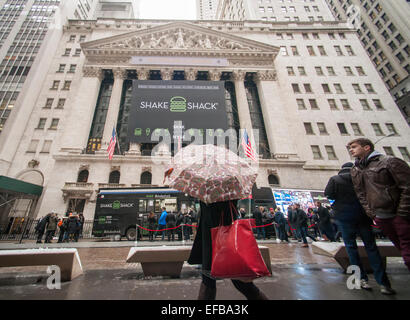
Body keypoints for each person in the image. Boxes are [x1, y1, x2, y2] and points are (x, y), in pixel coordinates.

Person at [325, 161, 396, 294]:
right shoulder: (361, 178)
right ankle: (383, 283)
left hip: (345, 217)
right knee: (371, 248)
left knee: (351, 248)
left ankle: (361, 279)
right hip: (363, 216)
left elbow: (328, 194)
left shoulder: (335, 179)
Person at [348, 137, 410, 272]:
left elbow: (407, 187)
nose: (351, 150)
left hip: (400, 216)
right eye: (350, 148)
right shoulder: (356, 170)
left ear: (367, 147)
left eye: (354, 147)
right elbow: (361, 193)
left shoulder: (389, 162)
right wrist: (372, 213)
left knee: (407, 253)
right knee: (403, 250)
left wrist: (402, 214)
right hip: (381, 217)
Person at [188, 200, 268, 300]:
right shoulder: (228, 192)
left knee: (211, 282)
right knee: (239, 282)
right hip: (223, 240)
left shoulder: (209, 193)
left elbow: (210, 217)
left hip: (219, 240)